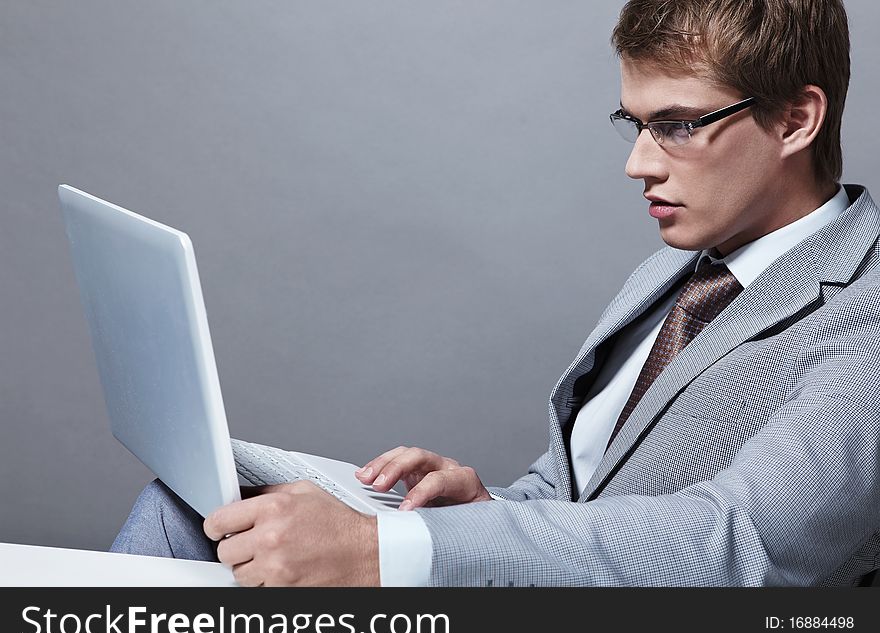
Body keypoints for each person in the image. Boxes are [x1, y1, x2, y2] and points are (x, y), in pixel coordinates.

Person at [111, 0, 880, 586]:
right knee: (187, 508)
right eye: (635, 123)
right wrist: (490, 511)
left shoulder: (866, 312)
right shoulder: (676, 273)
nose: (638, 164)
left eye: (677, 125)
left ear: (795, 120)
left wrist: (392, 549)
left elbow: (741, 543)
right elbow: (580, 488)